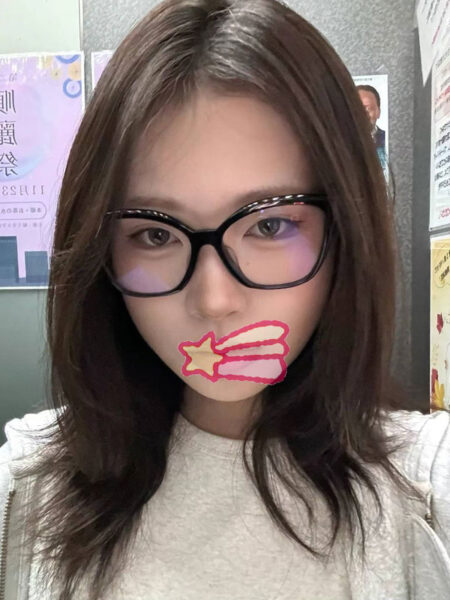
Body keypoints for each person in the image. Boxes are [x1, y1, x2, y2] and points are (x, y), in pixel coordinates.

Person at [0, 1, 449, 598]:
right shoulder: (28, 486)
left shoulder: (425, 487)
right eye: (154, 235)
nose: (214, 300)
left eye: (270, 225)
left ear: (347, 230)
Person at [356, 84, 388, 173]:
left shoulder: (389, 140)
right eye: (357, 109)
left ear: (378, 112)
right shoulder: (338, 143)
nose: (363, 114)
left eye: (368, 109)